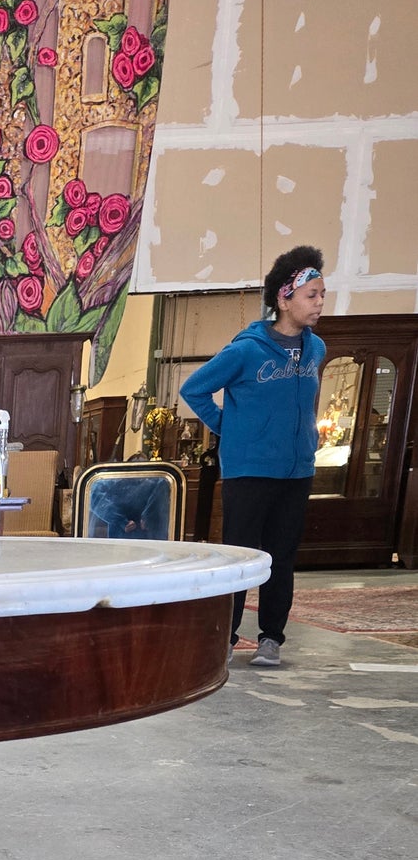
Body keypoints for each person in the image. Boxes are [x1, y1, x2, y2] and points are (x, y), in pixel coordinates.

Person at [179, 245, 326, 669]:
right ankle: (224, 636)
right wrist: (229, 428)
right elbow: (194, 388)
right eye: (311, 295)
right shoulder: (247, 350)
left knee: (282, 557)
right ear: (285, 297)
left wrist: (308, 440)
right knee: (242, 557)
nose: (319, 303)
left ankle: (271, 638)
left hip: (297, 472)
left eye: (321, 294)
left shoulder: (316, 350)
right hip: (249, 471)